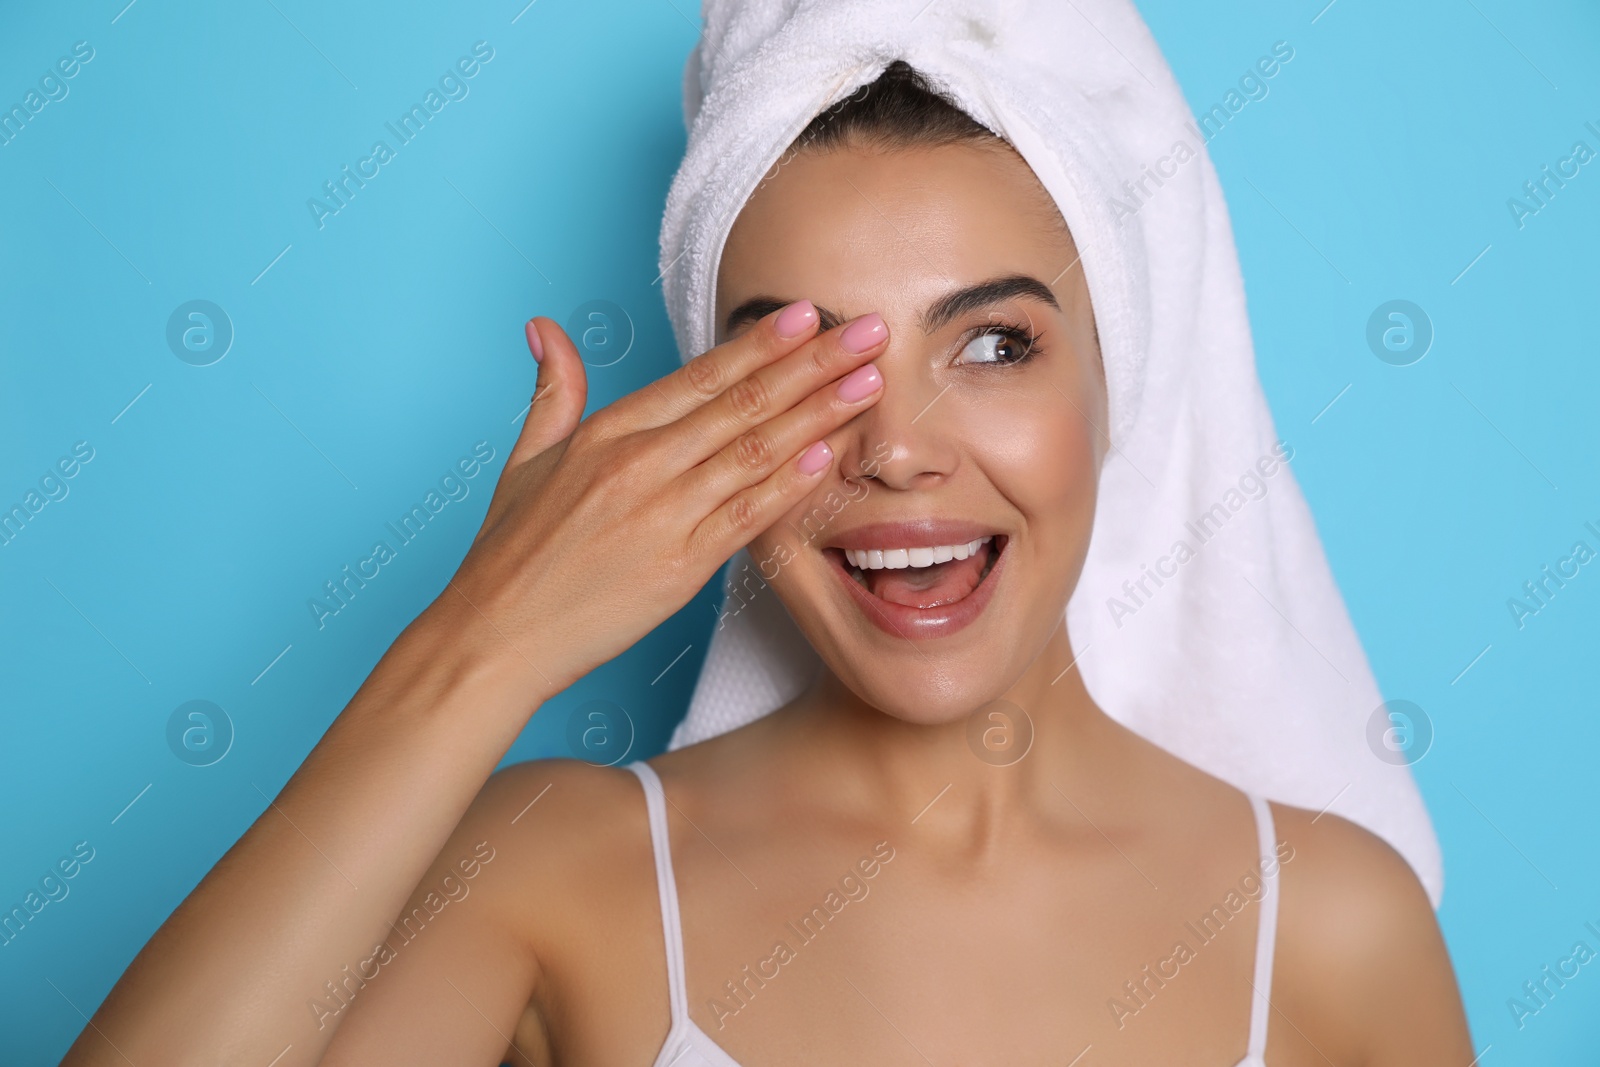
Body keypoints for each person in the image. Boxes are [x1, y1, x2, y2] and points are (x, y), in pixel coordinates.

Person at [63, 12, 1473, 1067]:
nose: (900, 447)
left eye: (993, 342)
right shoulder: (563, 873)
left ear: (1120, 385)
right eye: (805, 362)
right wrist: (480, 644)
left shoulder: (1337, 925)